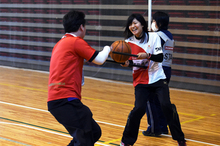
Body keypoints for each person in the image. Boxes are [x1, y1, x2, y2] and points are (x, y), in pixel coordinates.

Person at [119, 13, 186, 146]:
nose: (133, 26)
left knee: (166, 105)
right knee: (138, 109)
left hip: (158, 78)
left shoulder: (154, 36)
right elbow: (131, 63)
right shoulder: (127, 43)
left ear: (142, 24)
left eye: (135, 23)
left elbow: (160, 57)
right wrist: (126, 63)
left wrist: (147, 55)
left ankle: (180, 138)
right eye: (131, 24)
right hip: (141, 81)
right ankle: (126, 141)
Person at [47, 10, 111, 146]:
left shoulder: (60, 44)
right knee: (85, 137)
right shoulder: (76, 42)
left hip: (58, 100)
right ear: (81, 27)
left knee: (93, 132)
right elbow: (99, 59)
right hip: (65, 100)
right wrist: (108, 48)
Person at [142, 11, 174, 137]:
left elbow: (149, 50)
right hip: (167, 69)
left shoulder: (158, 36)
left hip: (158, 70)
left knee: (150, 99)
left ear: (159, 23)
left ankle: (154, 128)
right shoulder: (169, 35)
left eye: (153, 21)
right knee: (161, 100)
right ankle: (163, 126)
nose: (152, 23)